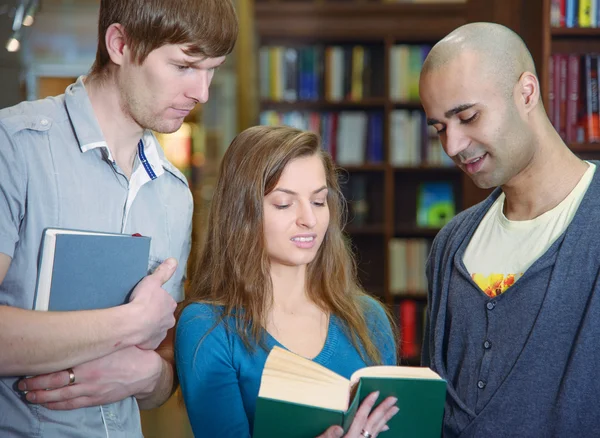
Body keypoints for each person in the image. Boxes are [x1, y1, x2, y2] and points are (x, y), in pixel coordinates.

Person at [0, 0, 238, 436]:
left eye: (213, 70)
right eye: (185, 66)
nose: (202, 92)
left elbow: (162, 366)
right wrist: (126, 323)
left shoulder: (173, 193)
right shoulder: (14, 148)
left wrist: (150, 377)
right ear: (120, 44)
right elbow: (141, 324)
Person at [419, 21, 600, 437]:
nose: (453, 146)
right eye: (440, 128)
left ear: (527, 93)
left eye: (467, 116)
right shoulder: (452, 244)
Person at [175, 125, 400, 438]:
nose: (309, 218)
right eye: (284, 203)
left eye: (319, 202)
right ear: (242, 213)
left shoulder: (368, 319)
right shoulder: (208, 327)